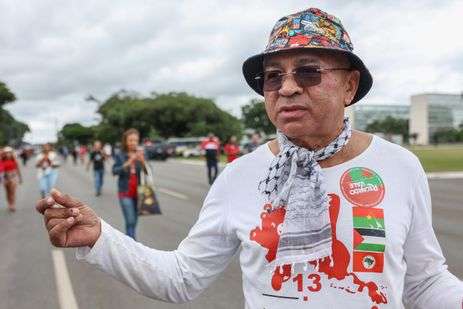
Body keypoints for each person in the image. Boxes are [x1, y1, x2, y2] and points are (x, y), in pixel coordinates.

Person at [35, 7, 463, 309]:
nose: (288, 87)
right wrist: (100, 238)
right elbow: (182, 278)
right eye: (273, 76)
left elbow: (424, 281)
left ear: (350, 86)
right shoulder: (240, 175)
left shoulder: (399, 166)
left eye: (308, 71)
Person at [111, 129, 147, 240]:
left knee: (134, 221)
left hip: (139, 192)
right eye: (130, 140)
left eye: (136, 140)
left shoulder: (141, 154)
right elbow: (114, 171)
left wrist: (142, 161)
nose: (133, 143)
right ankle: (133, 245)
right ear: (125, 141)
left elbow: (148, 172)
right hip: (125, 191)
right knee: (130, 220)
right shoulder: (120, 155)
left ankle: (128, 242)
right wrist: (128, 163)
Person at [1, 147, 22, 212]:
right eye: (6, 152)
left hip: (13, 177)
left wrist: (20, 178)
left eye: (9, 152)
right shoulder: (2, 160)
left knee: (12, 191)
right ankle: (9, 204)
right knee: (7, 192)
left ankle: (12, 205)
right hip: (5, 178)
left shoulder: (14, 160)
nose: (8, 154)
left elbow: (18, 170)